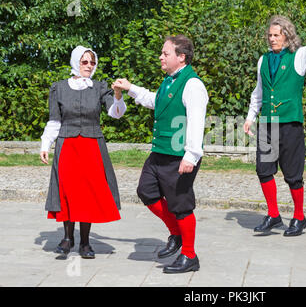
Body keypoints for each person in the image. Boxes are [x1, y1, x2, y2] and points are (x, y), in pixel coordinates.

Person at [112, 35, 208, 273]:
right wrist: (130, 88)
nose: (161, 57)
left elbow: (197, 122)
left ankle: (189, 255)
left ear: (181, 57)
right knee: (146, 191)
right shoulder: (168, 82)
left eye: (165, 53)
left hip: (179, 156)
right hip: (159, 153)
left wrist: (191, 156)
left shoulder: (193, 84)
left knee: (182, 206)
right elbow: (156, 101)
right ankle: (176, 233)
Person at [243, 9, 306, 236]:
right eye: (270, 35)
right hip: (268, 124)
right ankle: (273, 215)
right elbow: (258, 92)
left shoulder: (299, 57)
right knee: (264, 170)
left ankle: (299, 217)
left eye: (277, 35)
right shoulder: (263, 60)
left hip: (290, 124)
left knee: (292, 174)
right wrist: (251, 117)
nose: (272, 39)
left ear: (287, 36)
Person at [40, 45, 126, 258]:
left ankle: (85, 242)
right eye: (84, 61)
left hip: (91, 147)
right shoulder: (58, 87)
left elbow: (115, 113)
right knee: (68, 191)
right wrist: (45, 144)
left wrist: (117, 95)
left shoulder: (99, 87)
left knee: (88, 193)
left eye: (92, 62)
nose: (89, 66)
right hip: (67, 145)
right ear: (76, 61)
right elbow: (54, 119)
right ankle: (68, 238)